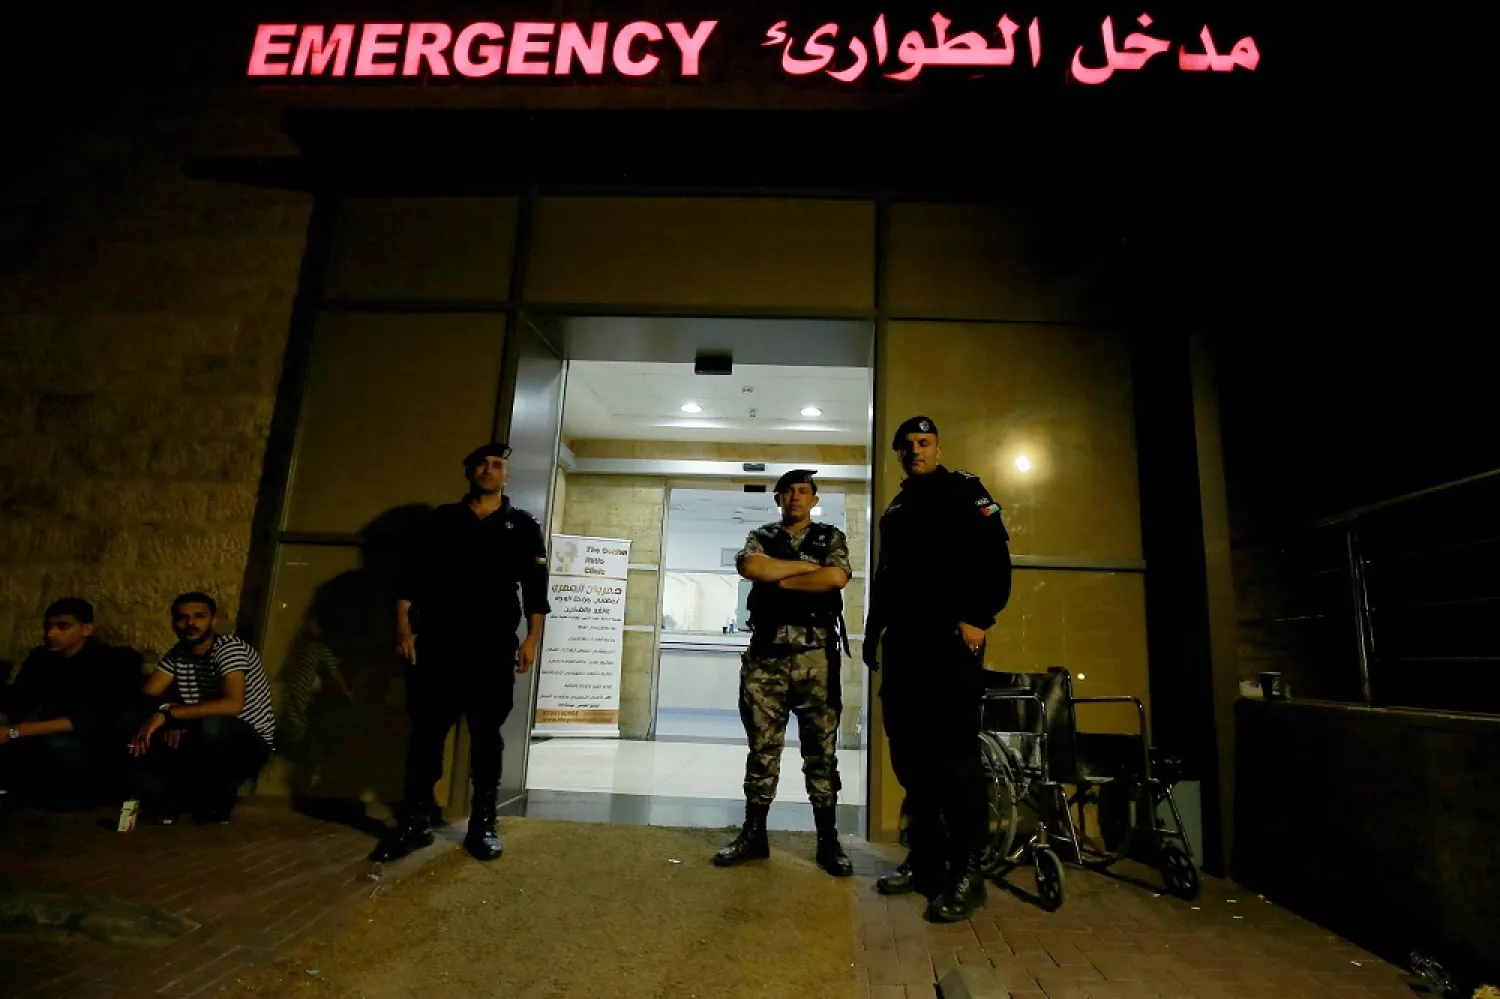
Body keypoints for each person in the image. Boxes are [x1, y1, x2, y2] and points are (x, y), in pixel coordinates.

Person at [370, 442, 551, 863]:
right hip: (437, 642)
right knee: (427, 734)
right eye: (482, 464)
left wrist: (531, 640)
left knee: (487, 737)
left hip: (491, 645)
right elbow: (410, 578)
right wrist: (404, 628)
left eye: (497, 465)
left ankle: (483, 824)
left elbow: (536, 589)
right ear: (469, 472)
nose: (489, 470)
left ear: (506, 476)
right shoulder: (441, 520)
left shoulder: (521, 525)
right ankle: (415, 822)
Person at [864, 416, 1012, 922]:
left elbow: (995, 556)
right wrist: (871, 634)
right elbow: (886, 578)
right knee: (910, 758)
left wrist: (978, 616)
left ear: (938, 447)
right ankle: (926, 859)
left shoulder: (964, 490)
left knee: (955, 760)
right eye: (906, 446)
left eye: (923, 443)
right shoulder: (898, 506)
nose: (915, 451)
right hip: (904, 645)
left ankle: (967, 873)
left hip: (948, 643)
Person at [714, 469, 855, 877]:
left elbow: (836, 577)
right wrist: (804, 571)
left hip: (816, 659)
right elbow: (752, 569)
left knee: (821, 754)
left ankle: (828, 842)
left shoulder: (830, 537)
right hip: (766, 657)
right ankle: (754, 835)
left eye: (804, 491)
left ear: (814, 499)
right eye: (789, 491)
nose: (796, 497)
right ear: (778, 499)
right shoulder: (762, 534)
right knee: (762, 750)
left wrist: (782, 580)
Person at [125, 592, 276, 823]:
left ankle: (220, 796)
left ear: (213, 621)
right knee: (132, 719)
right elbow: (148, 693)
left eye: (199, 616)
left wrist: (169, 714)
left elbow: (231, 705)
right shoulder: (178, 653)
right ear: (174, 623)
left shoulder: (230, 649)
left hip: (248, 742)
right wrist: (171, 718)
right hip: (199, 731)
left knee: (212, 725)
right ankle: (162, 797)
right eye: (182, 618)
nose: (191, 624)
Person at [0, 598, 143, 807]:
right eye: (48, 626)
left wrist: (15, 731)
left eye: (63, 627)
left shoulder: (112, 660)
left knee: (54, 745)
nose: (51, 634)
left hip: (94, 744)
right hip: (47, 731)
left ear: (86, 629)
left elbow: (92, 718)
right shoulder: (41, 658)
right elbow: (19, 700)